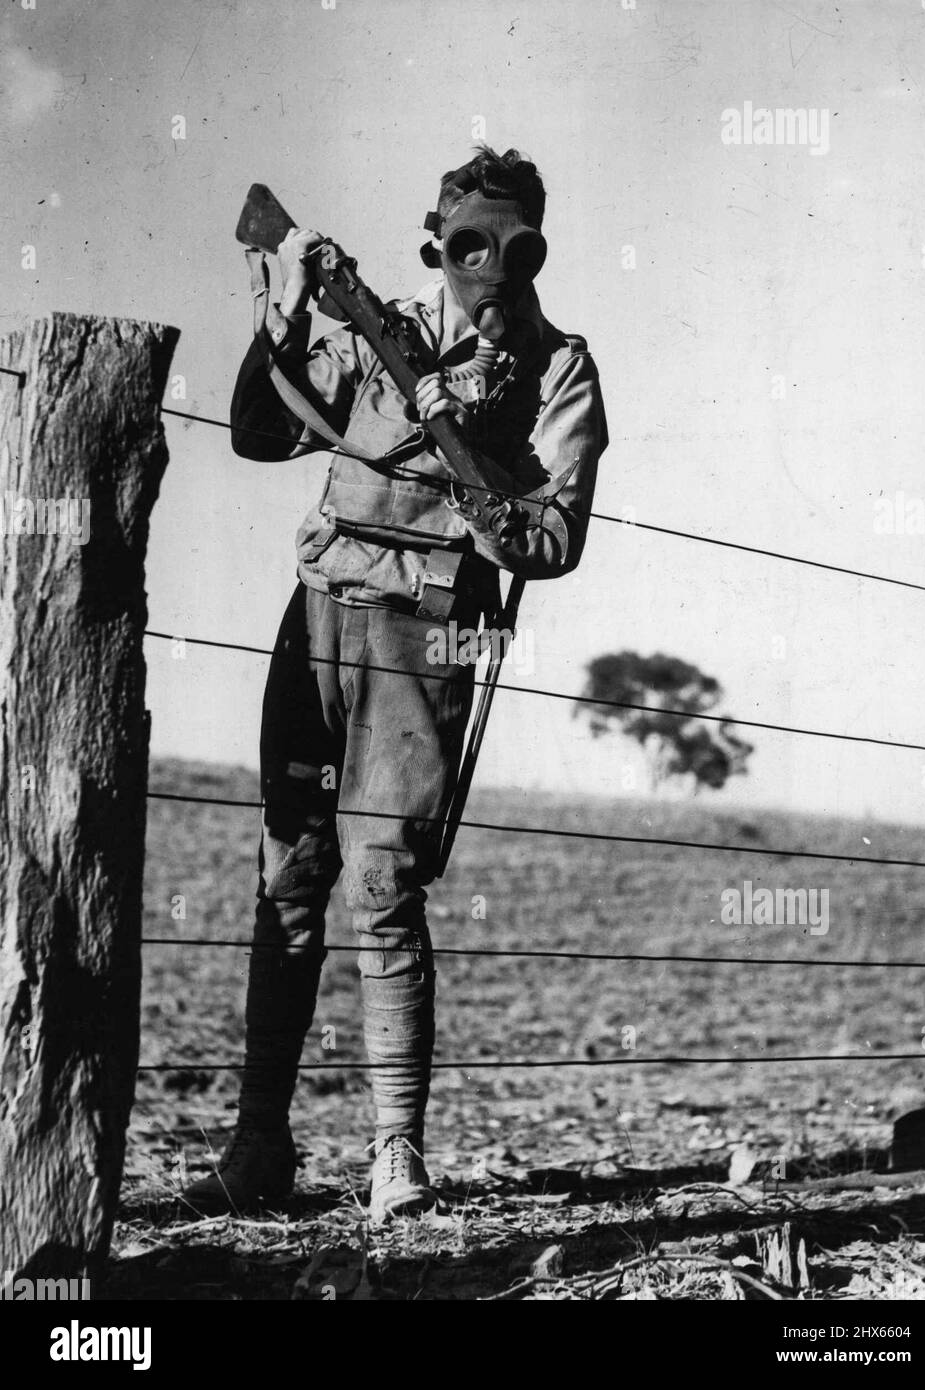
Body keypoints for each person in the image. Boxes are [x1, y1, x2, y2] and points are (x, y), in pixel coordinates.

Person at [184, 145, 608, 1221]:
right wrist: (282, 322)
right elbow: (259, 429)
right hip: (318, 613)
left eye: (513, 250)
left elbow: (551, 539)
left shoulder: (557, 369)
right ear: (437, 241)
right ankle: (259, 1144)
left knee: (382, 889)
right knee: (288, 881)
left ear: (536, 252)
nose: (489, 271)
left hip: (426, 639)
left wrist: (462, 448)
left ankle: (393, 1155)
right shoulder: (377, 332)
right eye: (469, 245)